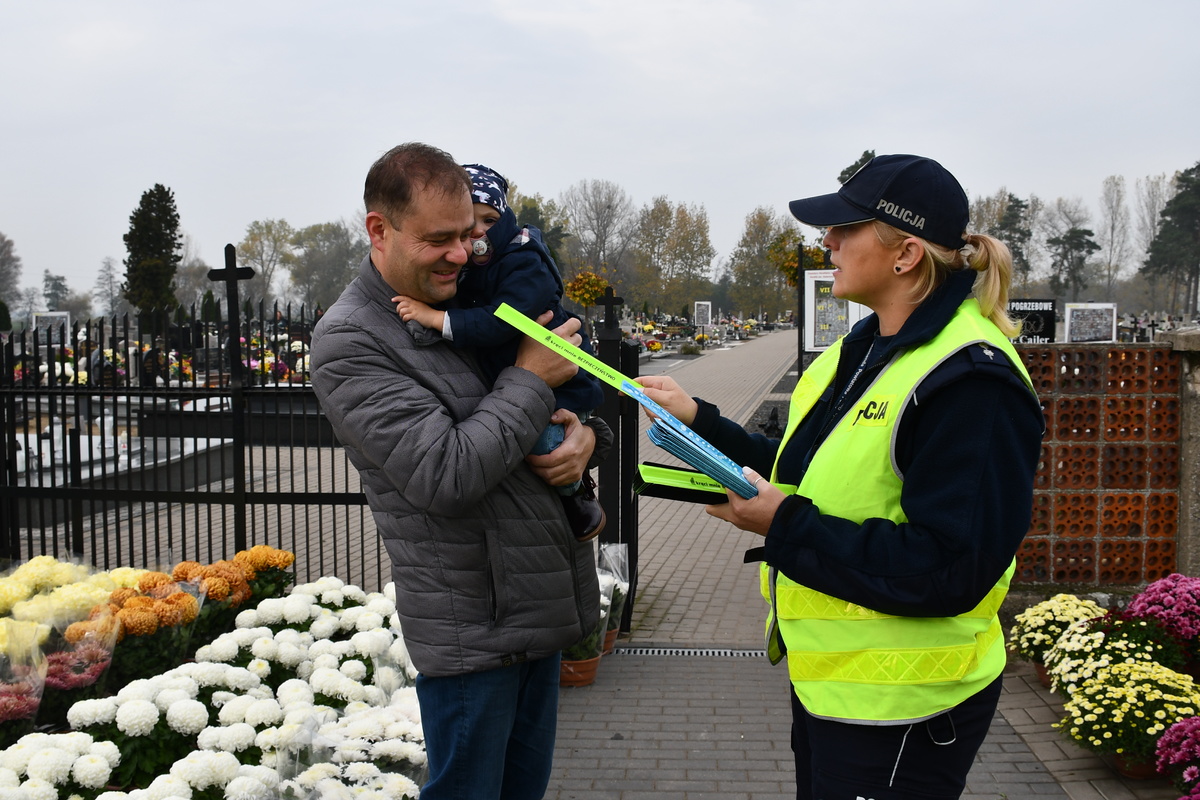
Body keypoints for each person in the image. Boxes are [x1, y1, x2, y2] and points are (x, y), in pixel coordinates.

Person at [638, 154, 1044, 799]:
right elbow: (803, 469)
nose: (825, 242)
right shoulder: (860, 349)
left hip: (908, 705)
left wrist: (785, 522)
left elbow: (953, 567)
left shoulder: (972, 381)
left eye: (844, 228)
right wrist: (700, 420)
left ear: (905, 253)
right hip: (835, 688)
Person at [309, 142, 605, 800]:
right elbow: (445, 474)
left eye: (471, 234)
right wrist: (531, 376)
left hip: (535, 612)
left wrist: (586, 438)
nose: (463, 253)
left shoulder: (472, 292)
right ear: (379, 231)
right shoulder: (352, 339)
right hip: (476, 632)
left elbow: (557, 401)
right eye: (439, 239)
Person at [393, 163, 606, 541]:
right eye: (465, 223)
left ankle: (578, 497)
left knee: (545, 444)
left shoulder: (522, 259)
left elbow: (504, 320)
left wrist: (436, 318)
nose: (476, 231)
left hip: (563, 387)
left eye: (488, 219)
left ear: (504, 217)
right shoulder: (476, 262)